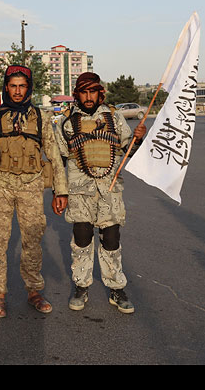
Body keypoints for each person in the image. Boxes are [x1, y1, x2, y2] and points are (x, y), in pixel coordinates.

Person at [0, 65, 68, 318]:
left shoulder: (41, 118)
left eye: (22, 86)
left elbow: (54, 156)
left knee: (32, 241)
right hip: (0, 185)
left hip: (31, 185)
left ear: (29, 89)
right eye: (13, 86)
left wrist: (61, 191)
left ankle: (33, 291)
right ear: (6, 88)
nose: (17, 91)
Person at [54, 72, 146, 314]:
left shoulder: (114, 117)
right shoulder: (66, 122)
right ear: (77, 94)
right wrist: (59, 192)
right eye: (83, 92)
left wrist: (138, 139)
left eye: (92, 92)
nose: (88, 97)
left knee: (111, 239)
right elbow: (58, 161)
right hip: (79, 191)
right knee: (82, 238)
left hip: (109, 188)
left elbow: (128, 149)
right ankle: (81, 286)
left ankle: (116, 288)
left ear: (99, 93)